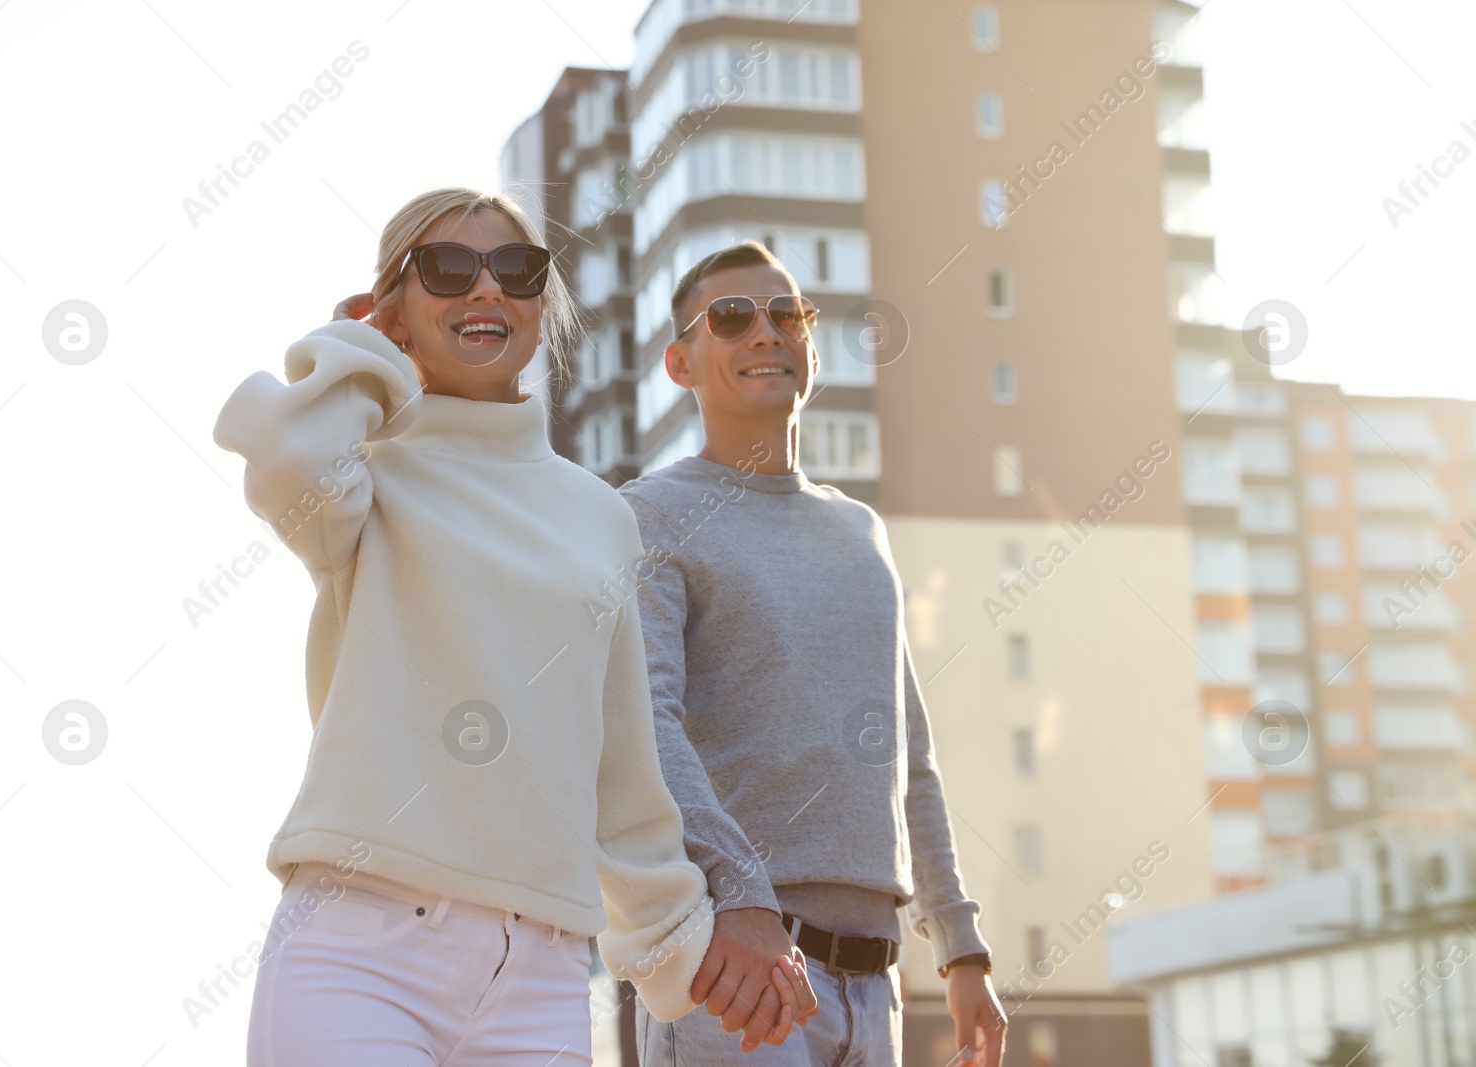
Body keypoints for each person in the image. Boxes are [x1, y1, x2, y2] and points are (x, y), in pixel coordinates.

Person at [213, 189, 813, 1066]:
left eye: (517, 271)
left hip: (541, 977)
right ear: (394, 310)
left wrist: (689, 949)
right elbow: (284, 453)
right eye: (449, 269)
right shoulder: (364, 469)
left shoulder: (601, 516)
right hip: (359, 949)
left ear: (541, 304)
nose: (487, 290)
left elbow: (621, 772)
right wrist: (360, 352)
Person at [618, 240, 1010, 1064]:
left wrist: (961, 946)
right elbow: (643, 723)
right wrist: (741, 891)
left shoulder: (860, 531)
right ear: (681, 362)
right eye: (731, 317)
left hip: (877, 988)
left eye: (785, 313)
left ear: (811, 344)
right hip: (739, 973)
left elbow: (912, 756)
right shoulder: (648, 514)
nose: (764, 332)